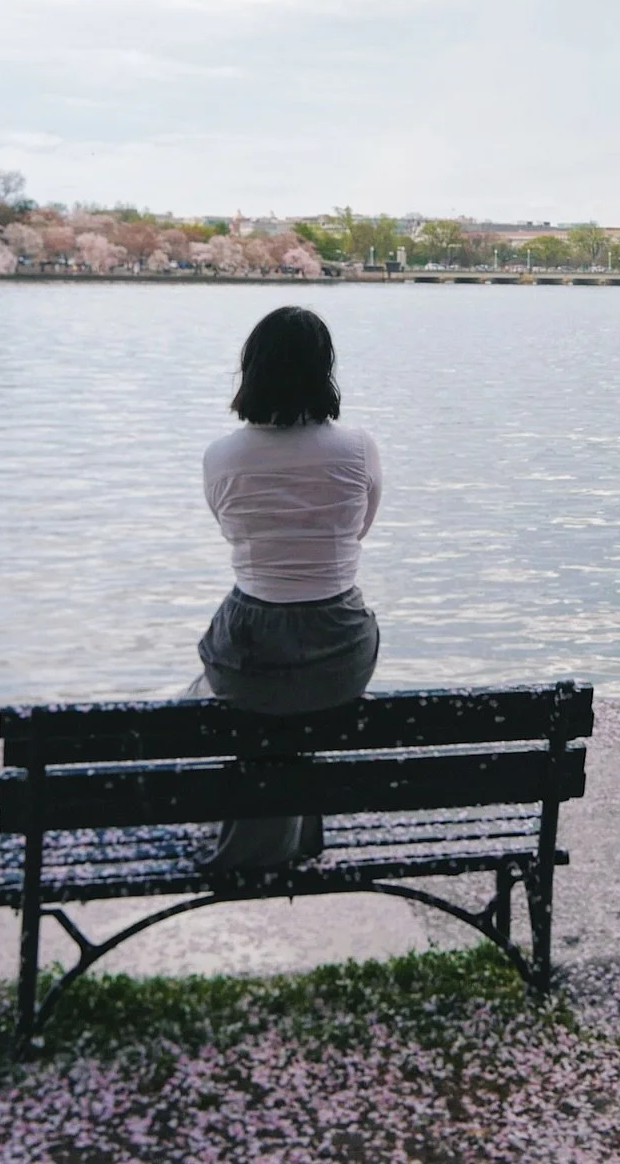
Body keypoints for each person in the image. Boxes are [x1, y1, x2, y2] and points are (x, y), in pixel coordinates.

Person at [185, 305, 382, 866]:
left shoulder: (221, 456)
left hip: (250, 650)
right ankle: (288, 835)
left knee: (224, 694)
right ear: (325, 371)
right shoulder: (358, 448)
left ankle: (258, 838)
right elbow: (360, 529)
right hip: (341, 652)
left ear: (251, 371)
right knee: (289, 706)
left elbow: (230, 531)